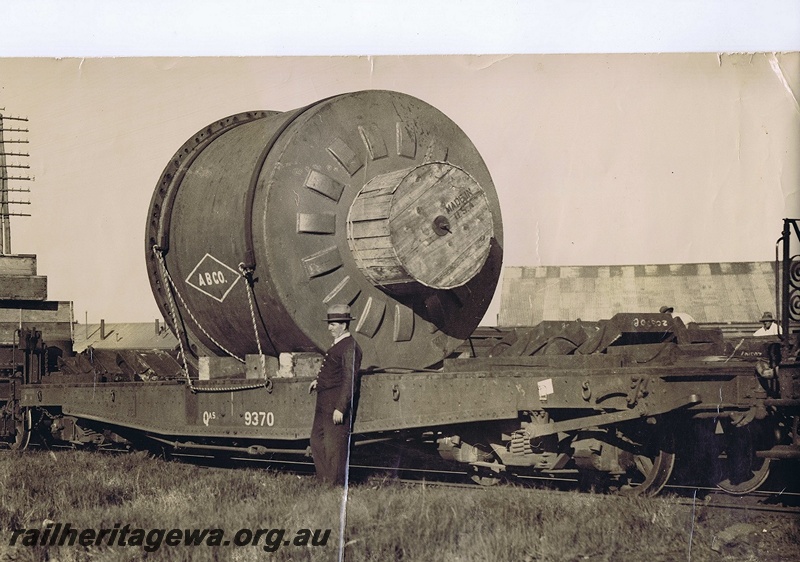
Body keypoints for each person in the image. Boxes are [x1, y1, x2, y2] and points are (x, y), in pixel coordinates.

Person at [308, 304, 362, 485]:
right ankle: (324, 481)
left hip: (335, 403)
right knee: (317, 441)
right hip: (324, 401)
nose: (329, 327)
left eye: (333, 324)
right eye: (329, 323)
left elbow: (349, 379)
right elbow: (333, 369)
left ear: (344, 325)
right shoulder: (339, 344)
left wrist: (341, 407)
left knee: (334, 447)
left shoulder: (350, 347)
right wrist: (318, 381)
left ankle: (335, 484)